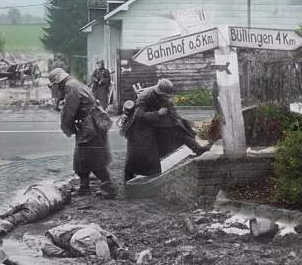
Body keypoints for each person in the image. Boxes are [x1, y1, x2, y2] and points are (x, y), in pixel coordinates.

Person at [123, 78, 212, 183]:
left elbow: (172, 111)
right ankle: (129, 176)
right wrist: (157, 113)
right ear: (159, 91)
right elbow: (138, 116)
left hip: (157, 122)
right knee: (141, 152)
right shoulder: (145, 96)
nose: (166, 97)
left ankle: (198, 149)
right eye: (165, 95)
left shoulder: (164, 95)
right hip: (140, 127)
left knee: (179, 131)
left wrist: (184, 123)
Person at [48, 68, 118, 198]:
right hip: (90, 125)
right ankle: (84, 186)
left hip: (90, 128)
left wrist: (67, 127)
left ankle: (109, 187)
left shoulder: (71, 87)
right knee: (81, 158)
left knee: (94, 158)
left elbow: (69, 111)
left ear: (58, 82)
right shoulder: (74, 83)